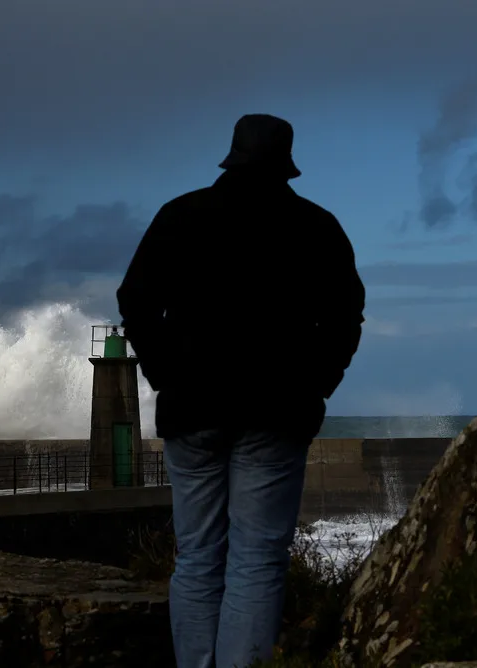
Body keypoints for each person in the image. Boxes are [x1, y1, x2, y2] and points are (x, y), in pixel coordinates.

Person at [116, 114, 365, 668]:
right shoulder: (317, 226)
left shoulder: (179, 215)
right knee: (256, 558)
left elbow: (134, 301)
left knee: (199, 556)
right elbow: (346, 319)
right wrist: (316, 388)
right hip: (277, 412)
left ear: (232, 155)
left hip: (192, 410)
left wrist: (167, 377)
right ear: (286, 163)